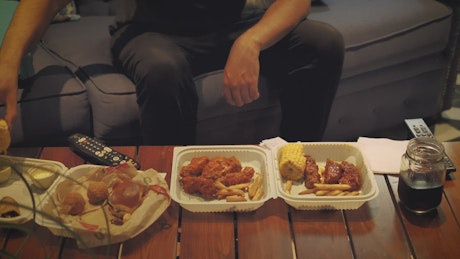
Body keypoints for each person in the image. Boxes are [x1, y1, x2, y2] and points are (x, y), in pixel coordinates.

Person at [0, 0, 344, 145]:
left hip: (232, 26)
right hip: (152, 32)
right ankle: (170, 198)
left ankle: (296, 171)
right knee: (162, 69)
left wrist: (250, 43)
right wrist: (7, 60)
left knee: (322, 42)